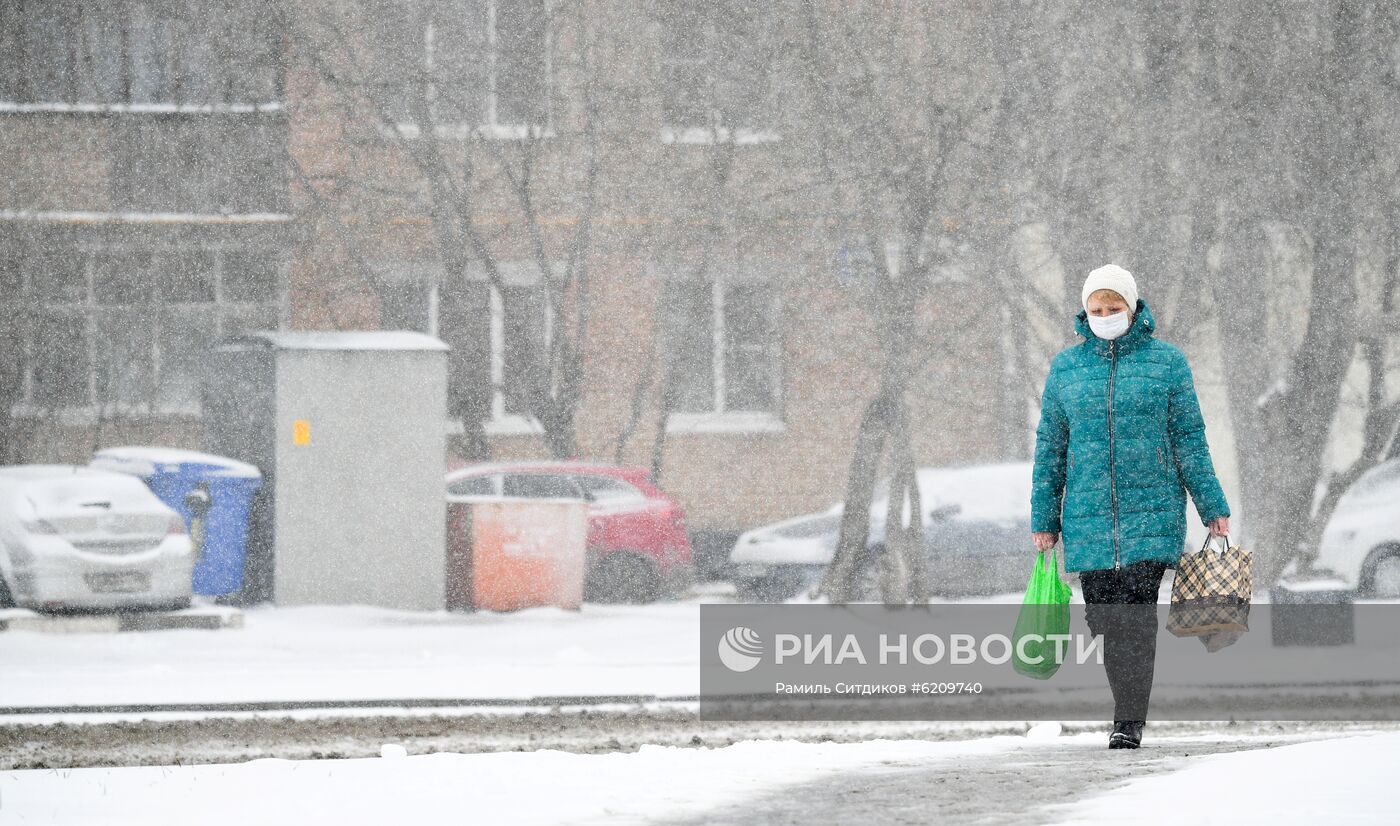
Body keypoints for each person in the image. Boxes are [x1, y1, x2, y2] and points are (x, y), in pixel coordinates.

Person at [1029, 264, 1231, 750]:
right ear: (1085, 312)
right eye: (1096, 310)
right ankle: (1128, 707)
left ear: (1132, 307)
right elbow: (1050, 446)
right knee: (1105, 619)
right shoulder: (1067, 368)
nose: (1104, 316)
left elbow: (1189, 440)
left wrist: (1211, 505)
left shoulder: (1168, 363)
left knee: (1135, 616)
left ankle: (1128, 720)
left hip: (1152, 512)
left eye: (1113, 308)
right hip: (1088, 516)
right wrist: (1043, 518)